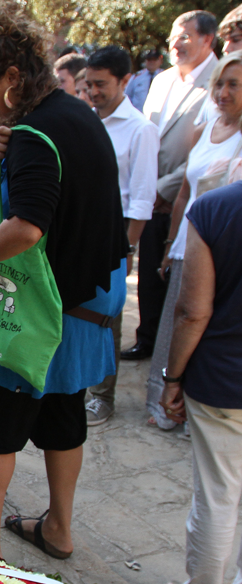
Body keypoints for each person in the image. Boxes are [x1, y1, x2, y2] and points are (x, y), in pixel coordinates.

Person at [0, 1, 126, 560]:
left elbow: (27, 226)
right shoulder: (74, 114)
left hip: (41, 309)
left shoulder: (34, 133)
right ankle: (58, 528)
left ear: (11, 77)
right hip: (88, 301)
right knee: (62, 413)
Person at [159, 179, 242, 584]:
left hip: (223, 378)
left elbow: (193, 310)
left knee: (217, 495)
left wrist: (172, 377)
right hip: (225, 379)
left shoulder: (214, 208)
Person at [148, 53, 242, 431]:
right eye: (219, 83)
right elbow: (185, 192)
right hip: (190, 241)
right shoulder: (204, 130)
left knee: (208, 326)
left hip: (225, 249)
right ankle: (167, 405)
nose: (223, 92)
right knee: (180, 320)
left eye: (233, 84)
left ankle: (200, 408)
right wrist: (171, 242)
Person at [126, 10, 218, 362]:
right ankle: (147, 338)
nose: (175, 44)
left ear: (207, 39)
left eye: (184, 37)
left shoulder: (220, 80)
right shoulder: (162, 80)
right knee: (150, 273)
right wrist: (146, 187)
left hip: (189, 198)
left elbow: (210, 148)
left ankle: (175, 354)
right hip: (151, 198)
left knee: (183, 281)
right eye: (172, 38)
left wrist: (164, 189)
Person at [82, 47, 160, 426]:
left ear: (125, 80)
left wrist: (127, 248)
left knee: (107, 318)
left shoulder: (140, 129)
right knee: (79, 311)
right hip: (82, 230)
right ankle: (77, 383)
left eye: (101, 84)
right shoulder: (86, 120)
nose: (93, 92)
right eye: (89, 84)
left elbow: (142, 198)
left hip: (115, 236)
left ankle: (102, 396)